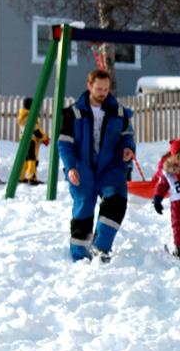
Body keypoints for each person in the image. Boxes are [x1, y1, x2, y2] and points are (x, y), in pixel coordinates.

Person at [57, 69, 136, 262]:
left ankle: (101, 247)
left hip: (111, 167)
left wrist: (127, 149)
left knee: (116, 201)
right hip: (82, 166)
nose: (103, 92)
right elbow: (64, 144)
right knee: (84, 206)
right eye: (99, 88)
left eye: (106, 89)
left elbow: (127, 137)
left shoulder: (119, 112)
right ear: (89, 86)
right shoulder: (73, 113)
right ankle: (79, 256)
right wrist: (70, 167)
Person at [19, 97, 50, 185]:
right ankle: (31, 177)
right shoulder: (30, 117)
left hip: (24, 140)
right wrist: (44, 138)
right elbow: (36, 130)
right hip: (31, 141)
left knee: (26, 159)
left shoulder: (22, 116)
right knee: (33, 159)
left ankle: (21, 176)